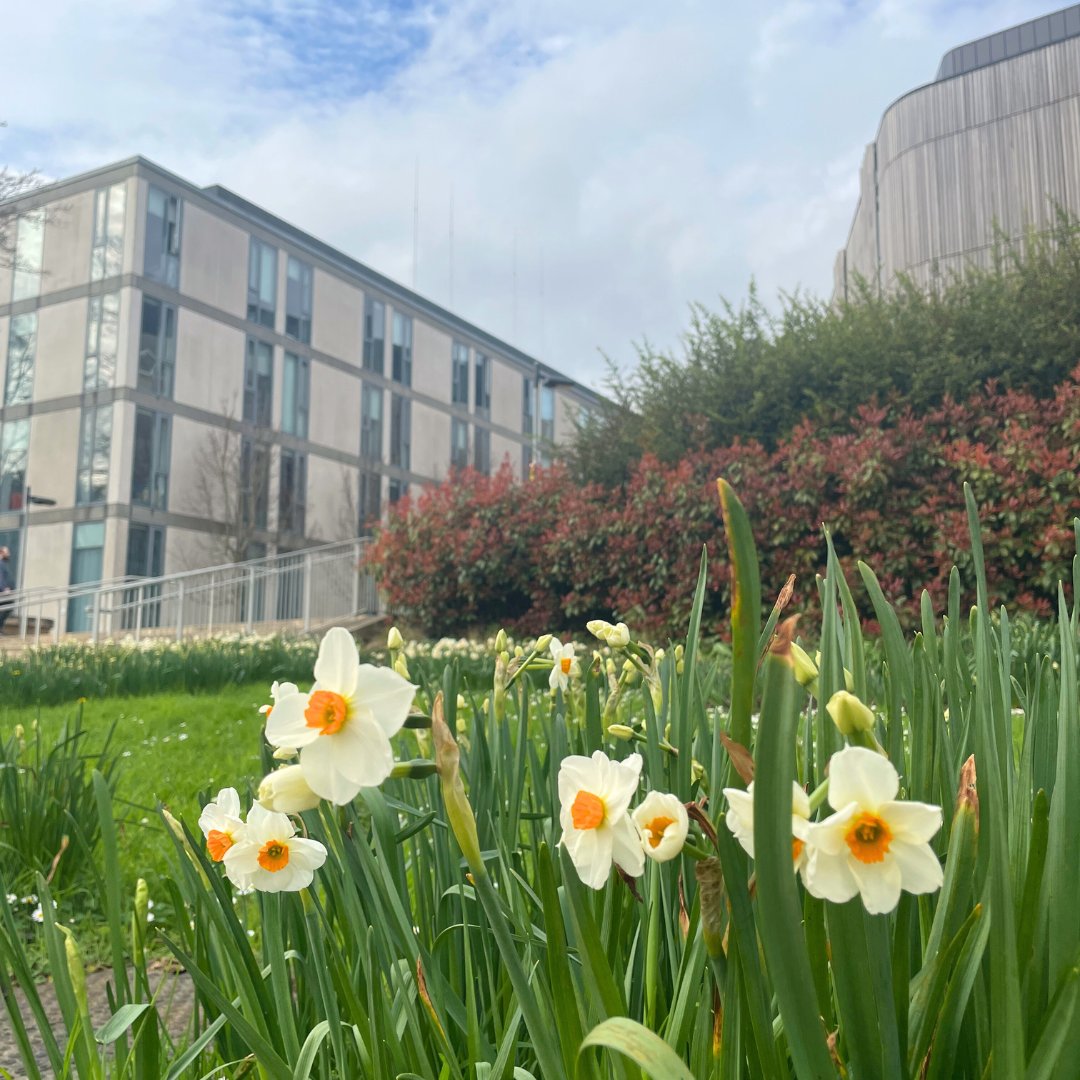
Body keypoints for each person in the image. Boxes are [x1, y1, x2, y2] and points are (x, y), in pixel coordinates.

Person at [0, 547, 15, 633]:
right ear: (1, 553)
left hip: (4, 592)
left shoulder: (3, 564)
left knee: (7, 608)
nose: (9, 555)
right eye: (7, 553)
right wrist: (4, 588)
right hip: (3, 592)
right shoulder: (0, 564)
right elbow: (0, 578)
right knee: (7, 607)